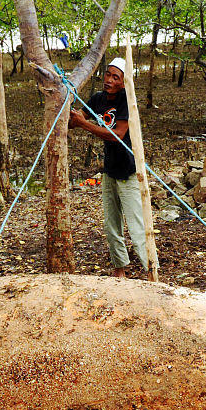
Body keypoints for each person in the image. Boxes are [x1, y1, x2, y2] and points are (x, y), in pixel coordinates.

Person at [68, 57, 153, 279]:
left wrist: (83, 123)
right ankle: (119, 271)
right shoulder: (98, 99)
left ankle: (150, 270)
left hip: (129, 170)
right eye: (108, 74)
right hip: (110, 170)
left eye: (116, 77)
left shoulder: (126, 100)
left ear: (124, 83)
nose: (109, 80)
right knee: (111, 224)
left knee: (136, 226)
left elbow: (118, 135)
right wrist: (67, 103)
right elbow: (75, 118)